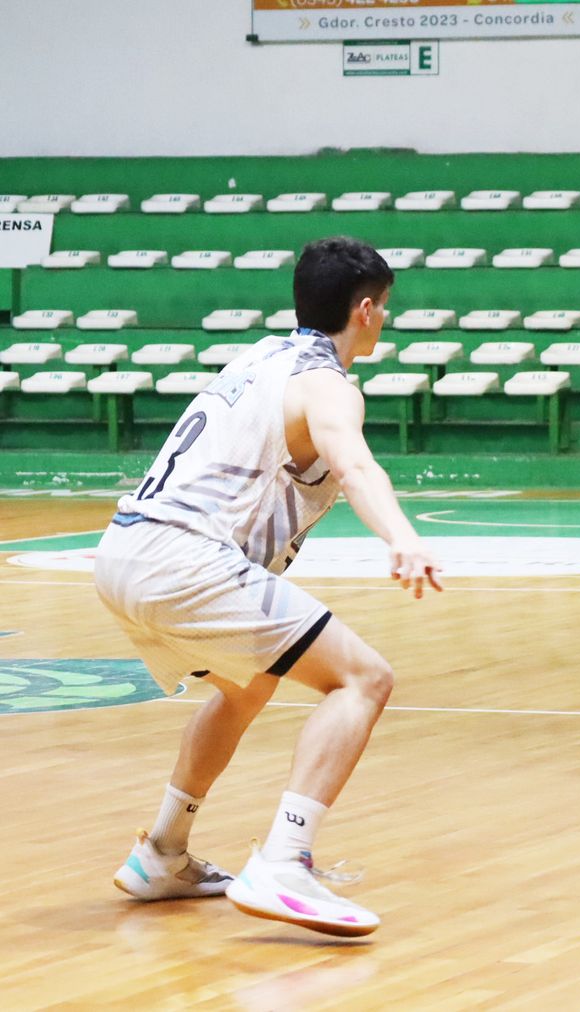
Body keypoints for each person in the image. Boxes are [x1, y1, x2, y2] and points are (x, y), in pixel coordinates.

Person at [98, 236, 443, 936]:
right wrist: (402, 537)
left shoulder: (259, 356)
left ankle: (161, 853)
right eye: (386, 309)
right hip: (185, 558)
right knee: (364, 680)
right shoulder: (329, 385)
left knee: (248, 684)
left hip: (122, 549)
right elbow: (354, 465)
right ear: (368, 309)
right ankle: (285, 860)